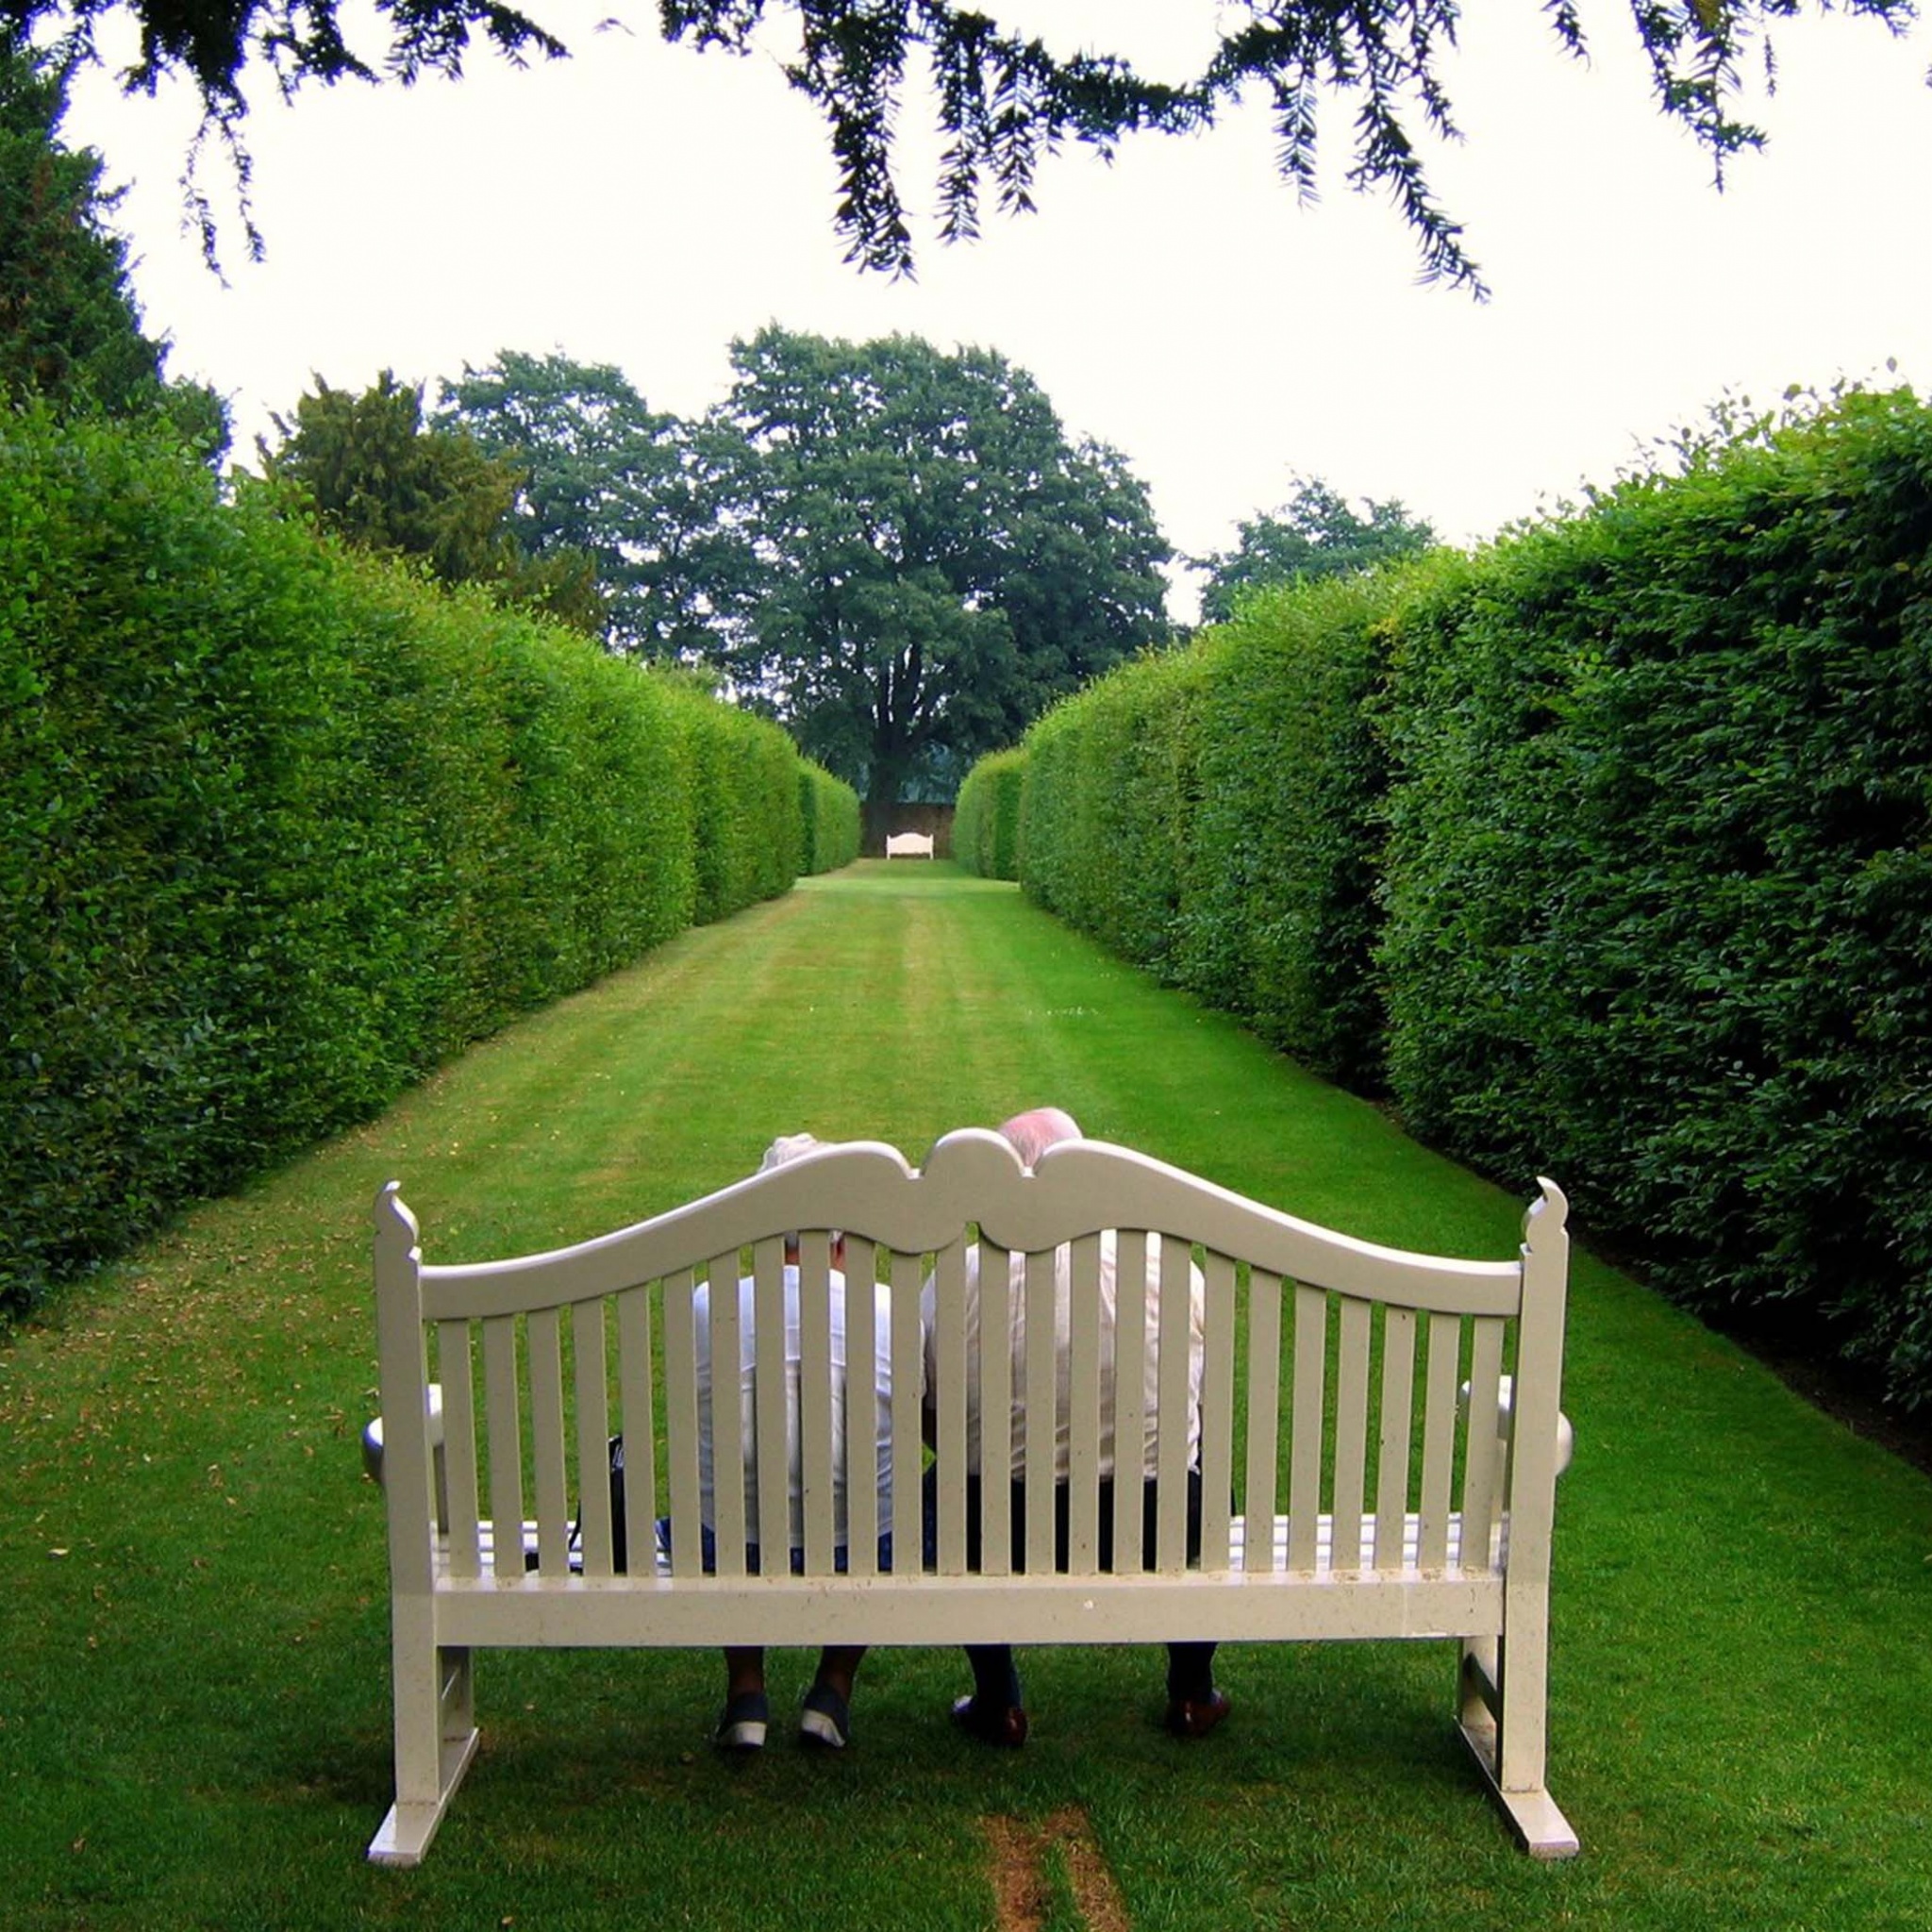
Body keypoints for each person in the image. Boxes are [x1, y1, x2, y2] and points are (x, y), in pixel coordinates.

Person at [922, 1108, 1228, 1746]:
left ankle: (998, 1698)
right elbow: (1197, 1407)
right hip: (1153, 1522)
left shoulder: (962, 1273)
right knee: (1207, 1481)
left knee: (944, 1486)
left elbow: (931, 1412)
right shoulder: (1170, 1267)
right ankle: (1193, 1693)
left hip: (995, 1525)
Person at [688, 1132, 896, 1754]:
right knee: (879, 1506)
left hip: (734, 1547)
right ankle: (831, 1690)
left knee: (723, 1507)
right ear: (842, 1236)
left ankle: (747, 1692)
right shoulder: (885, 1307)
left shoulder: (708, 1304)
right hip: (857, 1548)